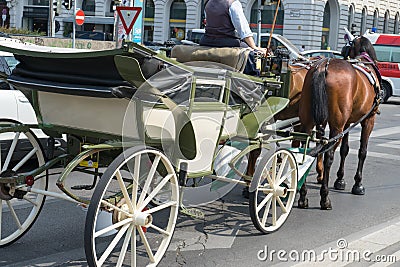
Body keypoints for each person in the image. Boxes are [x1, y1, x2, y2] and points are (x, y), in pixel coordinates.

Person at [199, 0, 266, 75]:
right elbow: (244, 31)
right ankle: (253, 82)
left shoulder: (209, 3)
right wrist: (254, 47)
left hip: (206, 40)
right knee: (251, 55)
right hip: (226, 42)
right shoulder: (233, 4)